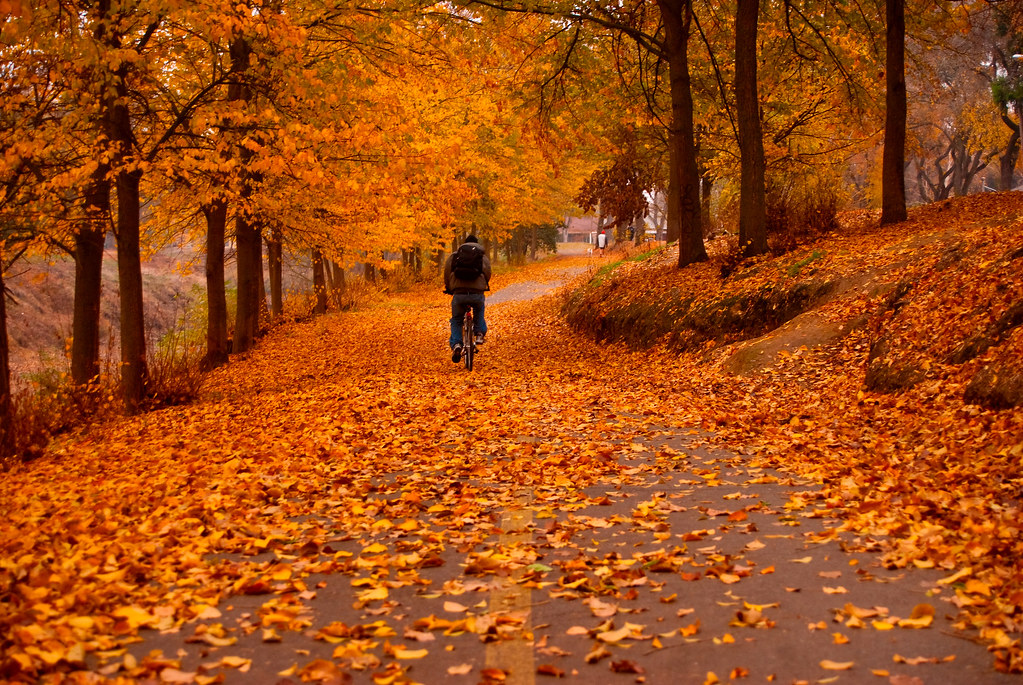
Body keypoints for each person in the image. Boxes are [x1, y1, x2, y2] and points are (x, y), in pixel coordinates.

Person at [443, 235, 492, 363]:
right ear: (477, 244)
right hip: (477, 292)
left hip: (459, 292)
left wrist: (449, 288)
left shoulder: (455, 255)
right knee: (479, 309)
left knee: (457, 320)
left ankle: (457, 344)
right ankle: (480, 333)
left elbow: (447, 272)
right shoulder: (482, 256)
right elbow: (488, 272)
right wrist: (483, 284)